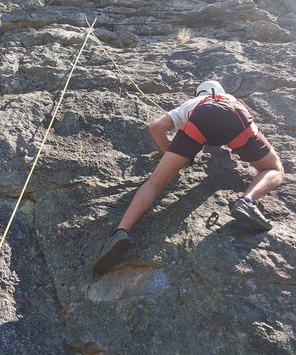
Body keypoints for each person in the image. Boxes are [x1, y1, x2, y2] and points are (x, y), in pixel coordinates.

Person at [93, 80, 284, 276]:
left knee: (155, 182)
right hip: (235, 114)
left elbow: (156, 126)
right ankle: (247, 201)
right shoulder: (230, 98)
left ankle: (120, 232)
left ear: (198, 94)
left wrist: (170, 152)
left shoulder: (192, 105)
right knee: (274, 168)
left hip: (199, 119)